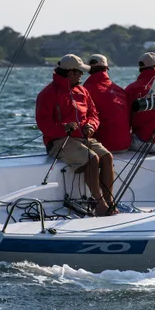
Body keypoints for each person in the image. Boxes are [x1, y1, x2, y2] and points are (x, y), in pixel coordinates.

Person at [35, 54, 117, 216]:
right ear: (71, 72)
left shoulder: (82, 90)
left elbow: (94, 114)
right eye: (80, 72)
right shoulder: (47, 94)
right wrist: (63, 128)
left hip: (83, 138)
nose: (82, 75)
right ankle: (99, 203)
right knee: (92, 158)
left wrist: (90, 126)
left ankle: (109, 201)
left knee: (107, 157)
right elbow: (44, 124)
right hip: (58, 141)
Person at [82, 54, 131, 153]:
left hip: (103, 147)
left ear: (89, 70)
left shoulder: (85, 90)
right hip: (125, 145)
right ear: (106, 68)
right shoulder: (119, 89)